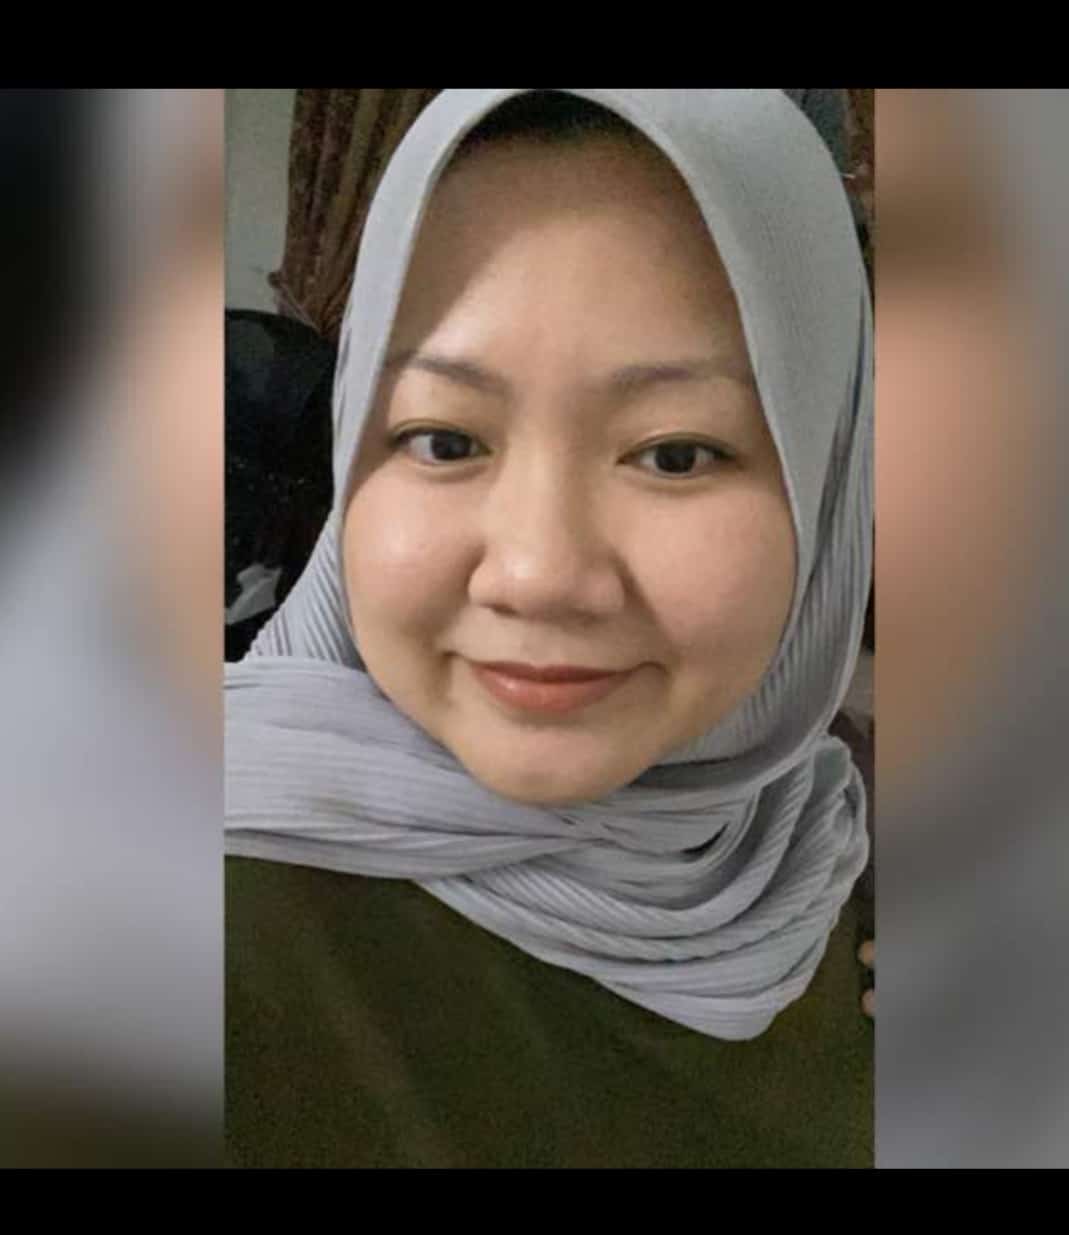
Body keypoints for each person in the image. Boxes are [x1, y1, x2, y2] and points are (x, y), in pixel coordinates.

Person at [226, 89, 873, 1168]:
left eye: (673, 453)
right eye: (443, 440)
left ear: (829, 475)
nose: (537, 573)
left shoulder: (821, 855)